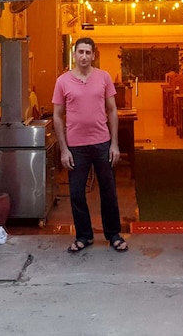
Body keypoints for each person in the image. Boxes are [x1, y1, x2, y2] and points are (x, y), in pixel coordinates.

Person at [52, 37, 128, 253]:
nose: (84, 56)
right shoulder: (62, 81)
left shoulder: (103, 78)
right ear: (74, 54)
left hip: (103, 143)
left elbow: (112, 110)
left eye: (88, 52)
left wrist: (114, 144)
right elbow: (58, 116)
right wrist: (64, 149)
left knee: (109, 192)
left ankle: (113, 234)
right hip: (76, 147)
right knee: (76, 193)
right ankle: (84, 236)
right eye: (80, 52)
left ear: (93, 55)